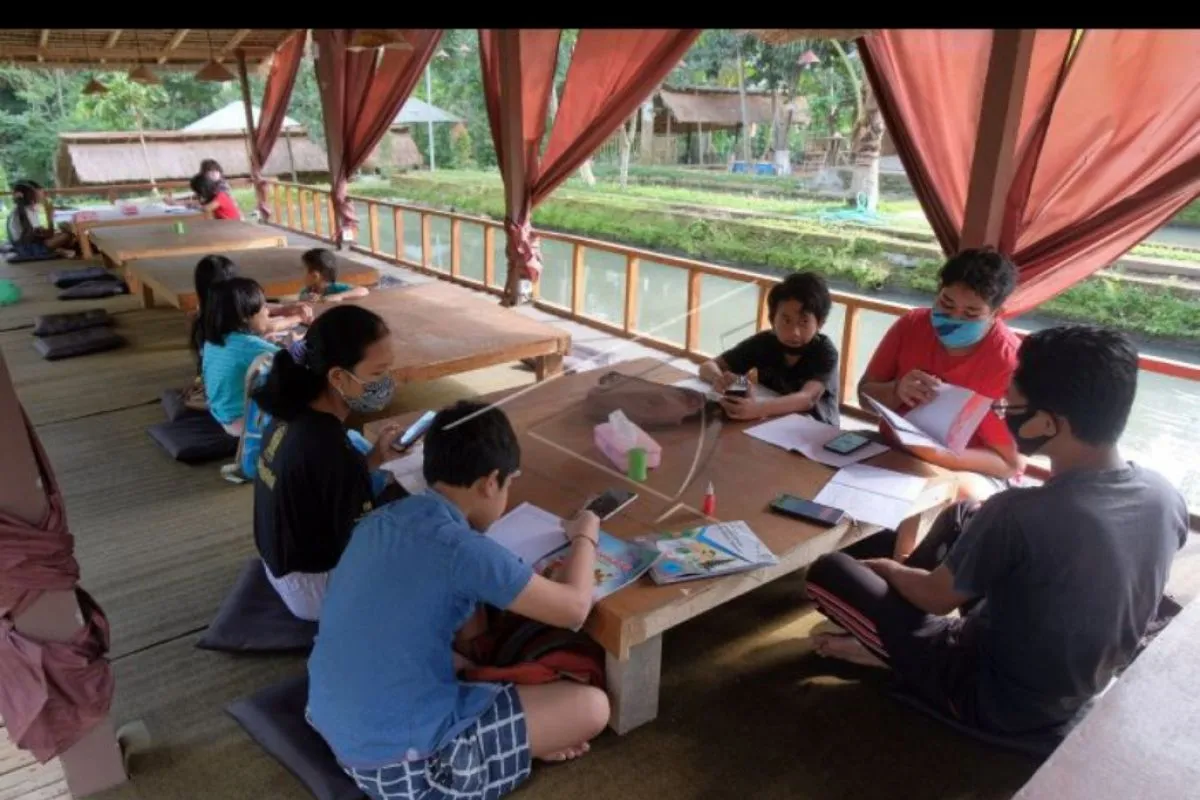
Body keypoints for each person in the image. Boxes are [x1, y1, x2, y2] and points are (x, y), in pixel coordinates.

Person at [805, 325, 1189, 746]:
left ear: (1048, 423)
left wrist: (887, 569)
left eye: (1012, 408)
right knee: (966, 514)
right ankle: (891, 641)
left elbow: (936, 598)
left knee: (829, 571)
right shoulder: (1165, 495)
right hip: (1082, 685)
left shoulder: (1018, 512)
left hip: (992, 699)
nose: (1006, 416)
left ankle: (889, 651)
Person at [307, 400, 610, 800]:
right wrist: (586, 532)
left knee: (473, 652)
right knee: (592, 707)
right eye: (509, 483)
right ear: (490, 482)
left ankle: (529, 739)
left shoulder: (382, 519)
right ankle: (527, 744)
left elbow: (463, 635)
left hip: (331, 714)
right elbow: (574, 609)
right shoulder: (462, 550)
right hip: (405, 768)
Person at [252, 305, 402, 620]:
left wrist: (374, 459)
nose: (387, 382)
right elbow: (362, 543)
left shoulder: (290, 410)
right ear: (337, 377)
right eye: (378, 373)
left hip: (279, 563)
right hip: (313, 589)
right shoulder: (330, 448)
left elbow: (321, 481)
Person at [858, 248, 1022, 495]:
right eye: (946, 303)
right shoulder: (911, 326)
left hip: (971, 470)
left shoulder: (1009, 364)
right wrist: (896, 390)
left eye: (971, 313)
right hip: (896, 449)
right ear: (938, 291)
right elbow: (864, 398)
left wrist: (935, 455)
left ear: (996, 314)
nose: (954, 318)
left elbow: (1009, 464)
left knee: (952, 496)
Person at [699, 271, 840, 425]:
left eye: (804, 322)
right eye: (786, 320)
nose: (795, 332)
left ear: (820, 323)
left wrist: (757, 409)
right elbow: (708, 365)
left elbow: (808, 399)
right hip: (768, 422)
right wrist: (722, 380)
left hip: (816, 428)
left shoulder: (824, 351)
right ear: (772, 319)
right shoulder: (764, 342)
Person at [201, 277, 279, 437]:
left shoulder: (212, 341)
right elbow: (292, 360)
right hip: (244, 422)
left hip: (221, 414)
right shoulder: (250, 346)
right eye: (264, 306)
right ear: (244, 316)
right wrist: (296, 343)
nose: (268, 312)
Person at [7, 181, 75, 257]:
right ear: (32, 196)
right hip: (28, 249)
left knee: (63, 234)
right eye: (41, 193)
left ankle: (58, 250)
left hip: (28, 244)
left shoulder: (25, 209)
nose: (43, 195)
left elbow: (38, 233)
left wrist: (43, 231)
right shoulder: (24, 212)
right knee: (67, 235)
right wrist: (50, 218)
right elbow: (40, 236)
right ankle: (57, 251)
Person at [298, 248, 368, 303]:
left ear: (315, 276)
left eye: (303, 270)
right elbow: (302, 298)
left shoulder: (335, 287)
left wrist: (339, 296)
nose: (301, 275)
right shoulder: (307, 291)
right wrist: (307, 298)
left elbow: (363, 290)